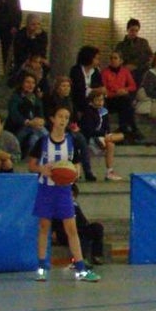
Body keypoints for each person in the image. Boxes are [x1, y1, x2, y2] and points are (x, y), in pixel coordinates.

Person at [27, 105, 100, 283]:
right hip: (46, 189)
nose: (63, 120)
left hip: (64, 190)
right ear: (53, 119)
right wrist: (40, 169)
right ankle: (42, 267)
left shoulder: (72, 141)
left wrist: (75, 173)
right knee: (44, 227)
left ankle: (81, 269)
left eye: (66, 117)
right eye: (60, 116)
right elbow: (31, 164)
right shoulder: (42, 141)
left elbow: (76, 164)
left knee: (71, 229)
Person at [52, 184, 106, 266]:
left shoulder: (75, 206)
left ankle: (96, 255)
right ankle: (81, 259)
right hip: (65, 232)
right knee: (82, 238)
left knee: (97, 228)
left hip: (79, 229)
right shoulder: (58, 206)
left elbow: (83, 221)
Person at [79, 90, 126, 181]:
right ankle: (110, 171)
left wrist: (106, 134)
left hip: (102, 136)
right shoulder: (88, 112)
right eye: (97, 100)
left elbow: (106, 127)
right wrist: (103, 134)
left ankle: (108, 139)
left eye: (102, 100)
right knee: (111, 144)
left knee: (121, 135)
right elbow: (89, 130)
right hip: (91, 138)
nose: (100, 102)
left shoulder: (104, 112)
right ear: (92, 101)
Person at [101, 50, 142, 141]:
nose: (113, 60)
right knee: (125, 102)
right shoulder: (105, 72)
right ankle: (133, 128)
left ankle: (124, 129)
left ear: (121, 61)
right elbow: (104, 91)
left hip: (121, 99)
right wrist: (116, 93)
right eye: (111, 58)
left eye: (115, 58)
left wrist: (124, 90)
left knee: (124, 102)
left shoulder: (125, 71)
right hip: (110, 100)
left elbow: (133, 86)